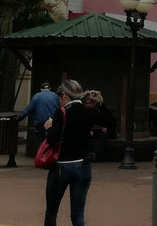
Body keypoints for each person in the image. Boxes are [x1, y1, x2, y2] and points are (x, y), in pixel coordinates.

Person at [43, 80, 101, 226]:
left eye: (59, 96)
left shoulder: (61, 112)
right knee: (78, 215)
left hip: (62, 167)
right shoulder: (88, 111)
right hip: (83, 165)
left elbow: (52, 138)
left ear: (64, 95)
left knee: (51, 211)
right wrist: (98, 103)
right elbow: (110, 121)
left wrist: (49, 127)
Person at [81, 90, 116, 161]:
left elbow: (111, 121)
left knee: (103, 136)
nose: (89, 105)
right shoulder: (83, 111)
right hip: (87, 131)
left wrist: (100, 103)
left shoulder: (100, 110)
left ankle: (94, 154)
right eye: (88, 103)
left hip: (98, 131)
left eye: (91, 103)